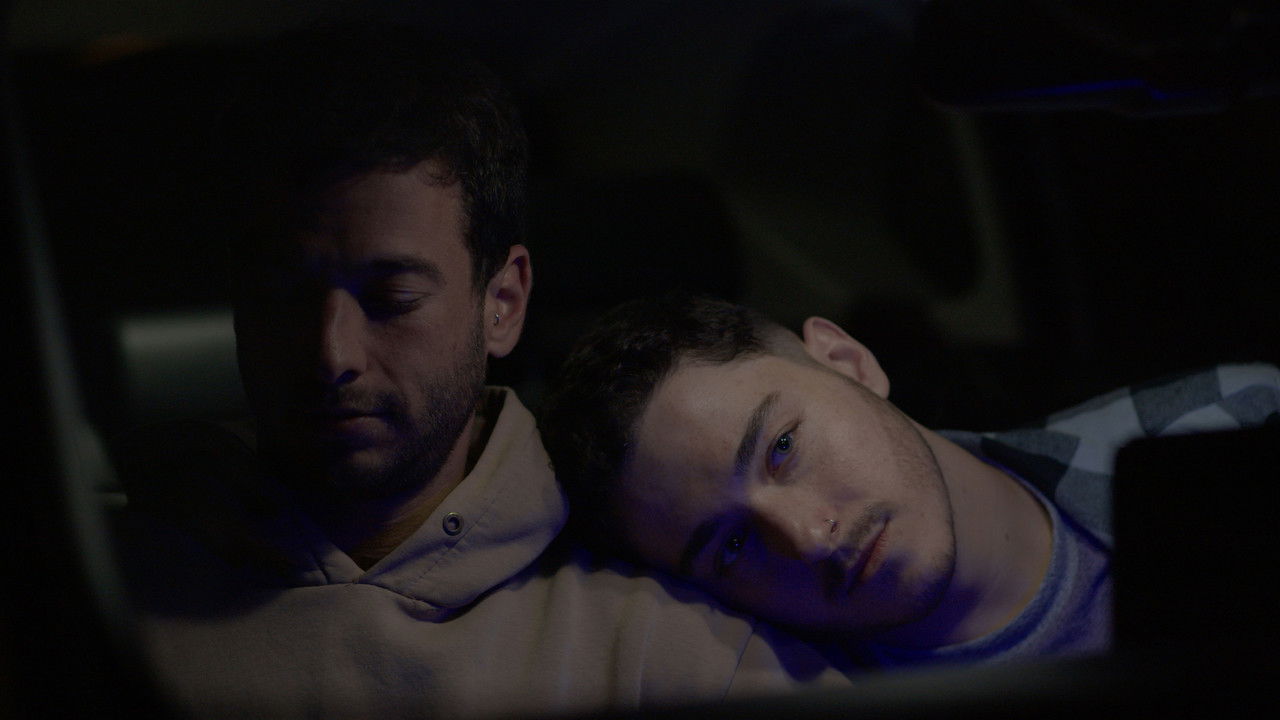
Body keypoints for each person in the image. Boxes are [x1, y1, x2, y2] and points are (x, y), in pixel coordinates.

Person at [111, 28, 853, 720]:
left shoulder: (669, 645)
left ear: (503, 303)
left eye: (392, 299)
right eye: (283, 294)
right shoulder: (111, 588)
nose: (331, 356)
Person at [539, 293, 1280, 667]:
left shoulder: (1235, 417)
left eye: (782, 448)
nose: (807, 537)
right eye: (732, 547)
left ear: (849, 361)